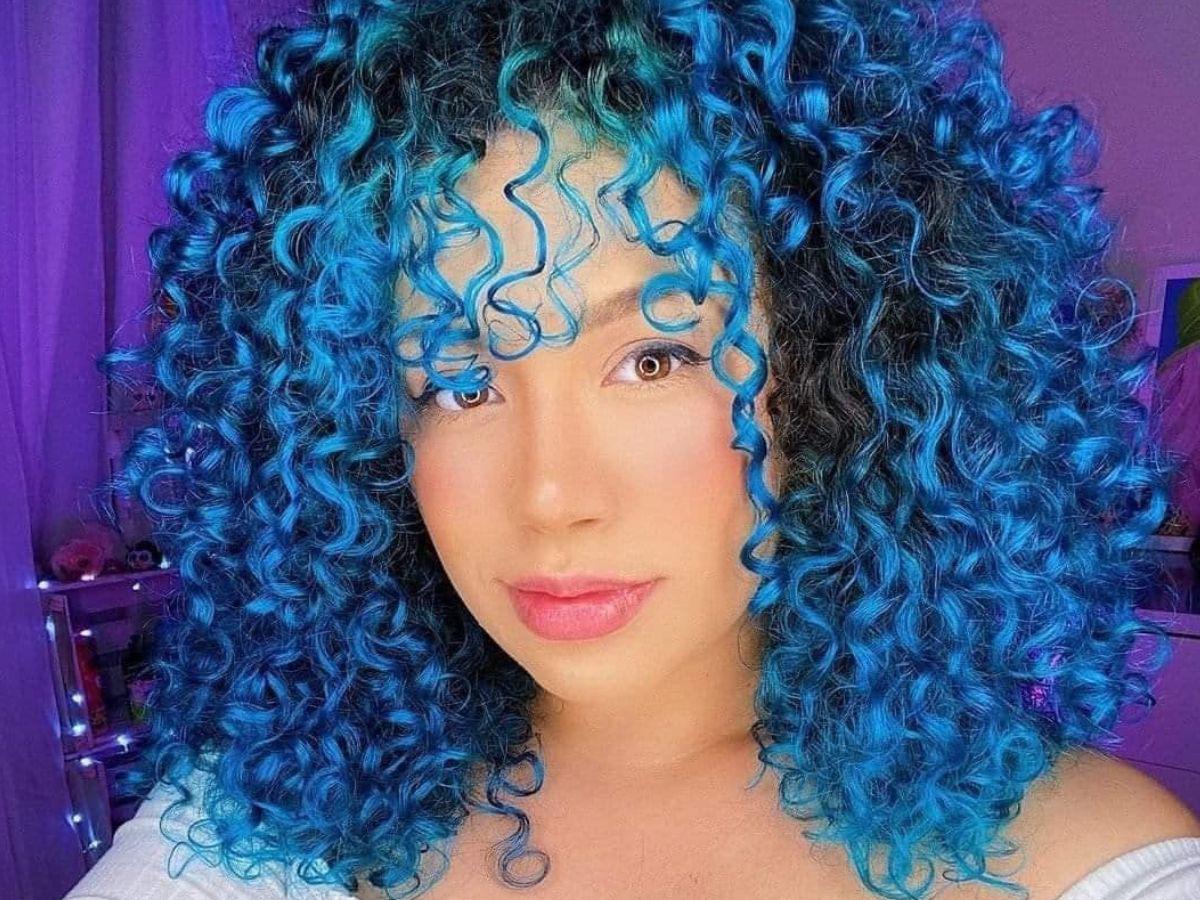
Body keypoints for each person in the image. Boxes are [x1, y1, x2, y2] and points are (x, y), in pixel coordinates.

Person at [69, 0, 1200, 898]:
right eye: (459, 381)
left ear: (841, 371)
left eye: (655, 357)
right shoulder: (260, 827)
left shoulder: (1088, 865)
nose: (551, 494)